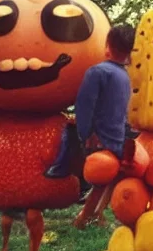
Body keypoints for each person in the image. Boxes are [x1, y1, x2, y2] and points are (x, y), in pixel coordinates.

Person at [43, 24, 136, 226]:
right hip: (116, 137)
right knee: (109, 177)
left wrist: (85, 133)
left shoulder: (97, 72)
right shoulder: (124, 76)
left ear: (108, 45)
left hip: (99, 137)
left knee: (103, 177)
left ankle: (86, 216)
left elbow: (84, 105)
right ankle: (95, 213)